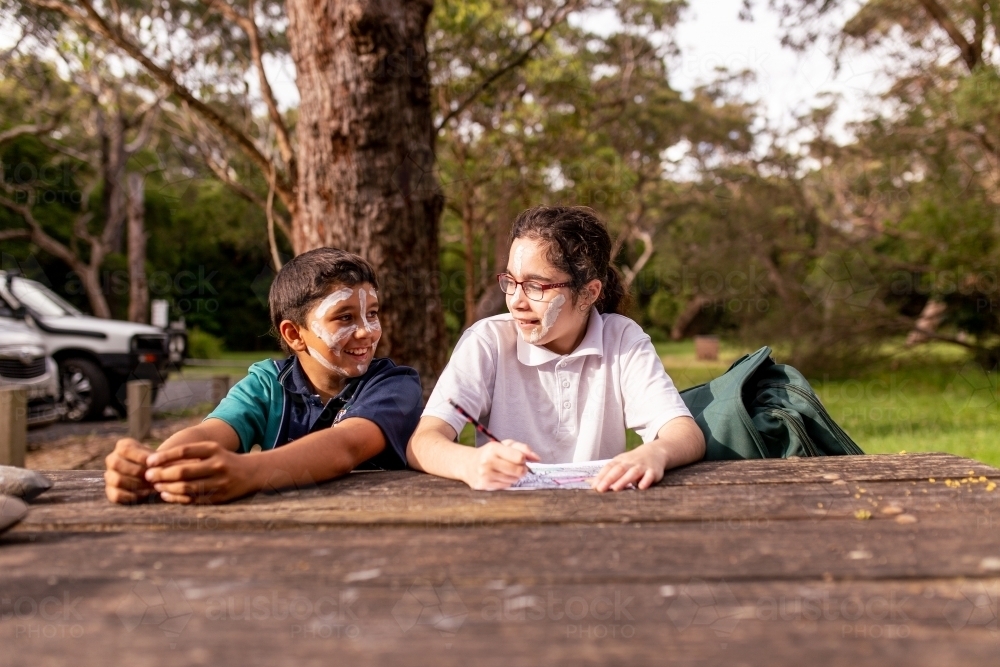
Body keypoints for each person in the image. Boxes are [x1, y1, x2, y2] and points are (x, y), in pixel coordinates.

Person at [408, 206, 705, 492]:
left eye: (536, 286)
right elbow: (423, 442)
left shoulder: (622, 341)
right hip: (507, 520)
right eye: (510, 281)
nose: (516, 301)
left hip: (598, 519)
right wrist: (470, 463)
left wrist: (654, 453)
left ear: (588, 293)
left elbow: (685, 434)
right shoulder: (487, 341)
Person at [104, 248, 422, 504]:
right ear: (294, 335)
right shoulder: (267, 384)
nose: (367, 331)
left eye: (373, 313)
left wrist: (248, 473)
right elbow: (212, 433)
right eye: (345, 317)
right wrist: (154, 467)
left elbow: (345, 447)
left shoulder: (395, 385)